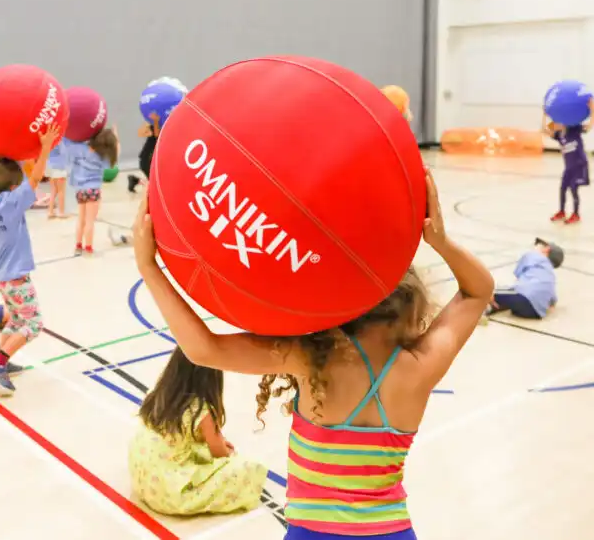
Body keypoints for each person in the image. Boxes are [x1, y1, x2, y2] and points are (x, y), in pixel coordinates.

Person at [131, 168, 494, 539]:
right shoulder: (420, 367)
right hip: (394, 532)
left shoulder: (312, 357)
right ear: (411, 311)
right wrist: (440, 241)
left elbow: (202, 348)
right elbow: (477, 292)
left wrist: (149, 267)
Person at [0, 124, 60, 394]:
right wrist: (44, 148)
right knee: (33, 324)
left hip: (1, 275)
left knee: (16, 321)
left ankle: (2, 361)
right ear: (12, 186)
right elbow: (36, 177)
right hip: (15, 276)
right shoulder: (11, 204)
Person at [128, 348, 268, 516]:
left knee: (198, 450)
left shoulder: (161, 393)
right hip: (167, 492)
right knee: (248, 470)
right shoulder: (201, 409)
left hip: (141, 475)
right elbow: (220, 453)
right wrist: (224, 448)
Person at [68, 126, 120, 255]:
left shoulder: (81, 149)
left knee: (81, 219)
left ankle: (78, 246)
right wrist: (116, 137)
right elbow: (115, 155)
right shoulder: (102, 157)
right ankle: (89, 247)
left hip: (80, 190)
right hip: (93, 190)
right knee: (90, 221)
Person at [483, 238, 562, 321]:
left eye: (539, 245)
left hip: (524, 295)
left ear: (546, 249)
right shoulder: (550, 274)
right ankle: (491, 307)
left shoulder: (533, 255)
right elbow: (552, 301)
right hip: (535, 312)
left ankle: (480, 308)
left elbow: (518, 275)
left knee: (489, 291)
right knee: (511, 297)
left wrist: (491, 293)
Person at [544, 117, 589, 224]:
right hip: (568, 168)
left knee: (574, 189)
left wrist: (592, 110)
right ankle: (562, 212)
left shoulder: (574, 129)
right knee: (563, 188)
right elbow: (544, 130)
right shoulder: (559, 135)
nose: (555, 125)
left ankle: (576, 214)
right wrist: (545, 114)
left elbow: (588, 127)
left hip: (579, 165)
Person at [128, 112, 160, 193]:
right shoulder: (154, 125)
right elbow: (155, 135)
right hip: (147, 159)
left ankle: (135, 180)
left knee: (155, 182)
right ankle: (135, 180)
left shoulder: (161, 125)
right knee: (155, 183)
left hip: (148, 159)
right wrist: (152, 121)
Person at [46, 141, 68, 219]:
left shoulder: (48, 137)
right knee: (61, 191)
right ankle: (61, 212)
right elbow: (64, 152)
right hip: (59, 166)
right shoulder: (59, 140)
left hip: (49, 165)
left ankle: (50, 211)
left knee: (53, 190)